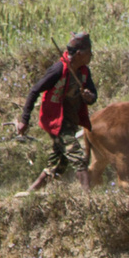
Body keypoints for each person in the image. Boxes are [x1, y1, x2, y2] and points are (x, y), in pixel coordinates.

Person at [16, 31, 97, 192]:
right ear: (80, 53)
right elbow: (34, 91)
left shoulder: (84, 72)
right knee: (79, 158)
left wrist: (89, 97)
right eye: (89, 52)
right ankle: (89, 198)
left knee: (57, 165)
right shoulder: (59, 69)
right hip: (56, 122)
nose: (91, 55)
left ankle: (30, 193)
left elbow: (93, 95)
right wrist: (24, 119)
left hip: (71, 121)